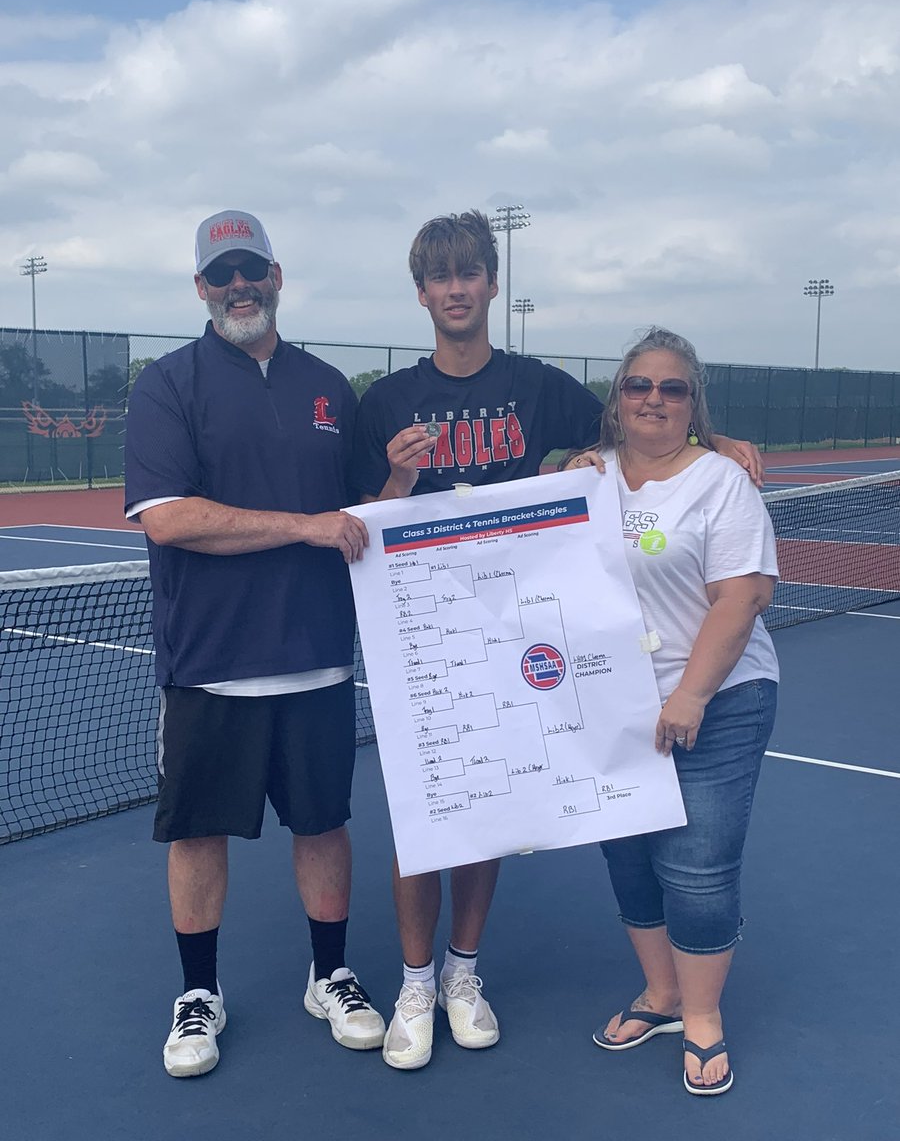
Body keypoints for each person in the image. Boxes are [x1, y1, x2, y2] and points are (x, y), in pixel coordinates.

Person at [351, 210, 765, 1071]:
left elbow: (639, 434)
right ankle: (416, 984)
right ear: (422, 292)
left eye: (471, 274)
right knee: (427, 816)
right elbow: (364, 523)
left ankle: (465, 975)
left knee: (493, 812)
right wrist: (396, 475)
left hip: (537, 639)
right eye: (441, 277)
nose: (457, 290)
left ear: (492, 285)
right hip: (432, 639)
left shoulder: (543, 387)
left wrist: (716, 440)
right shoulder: (385, 401)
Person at [125, 210, 384, 1078]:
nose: (240, 285)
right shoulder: (167, 384)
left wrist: (404, 481)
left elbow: (358, 513)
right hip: (210, 667)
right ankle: (199, 994)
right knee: (198, 835)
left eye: (252, 269)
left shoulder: (327, 387)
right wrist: (302, 526)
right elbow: (168, 519)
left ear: (278, 276)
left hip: (318, 658)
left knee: (325, 823)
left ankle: (331, 974)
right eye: (221, 273)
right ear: (201, 287)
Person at [567, 327, 778, 1096]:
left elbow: (745, 596)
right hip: (616, 703)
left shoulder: (721, 482)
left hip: (721, 699)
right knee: (629, 858)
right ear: (617, 401)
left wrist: (689, 693)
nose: (653, 398)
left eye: (672, 387)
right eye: (638, 386)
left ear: (695, 405)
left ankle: (702, 1017)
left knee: (696, 866)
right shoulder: (584, 481)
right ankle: (659, 997)